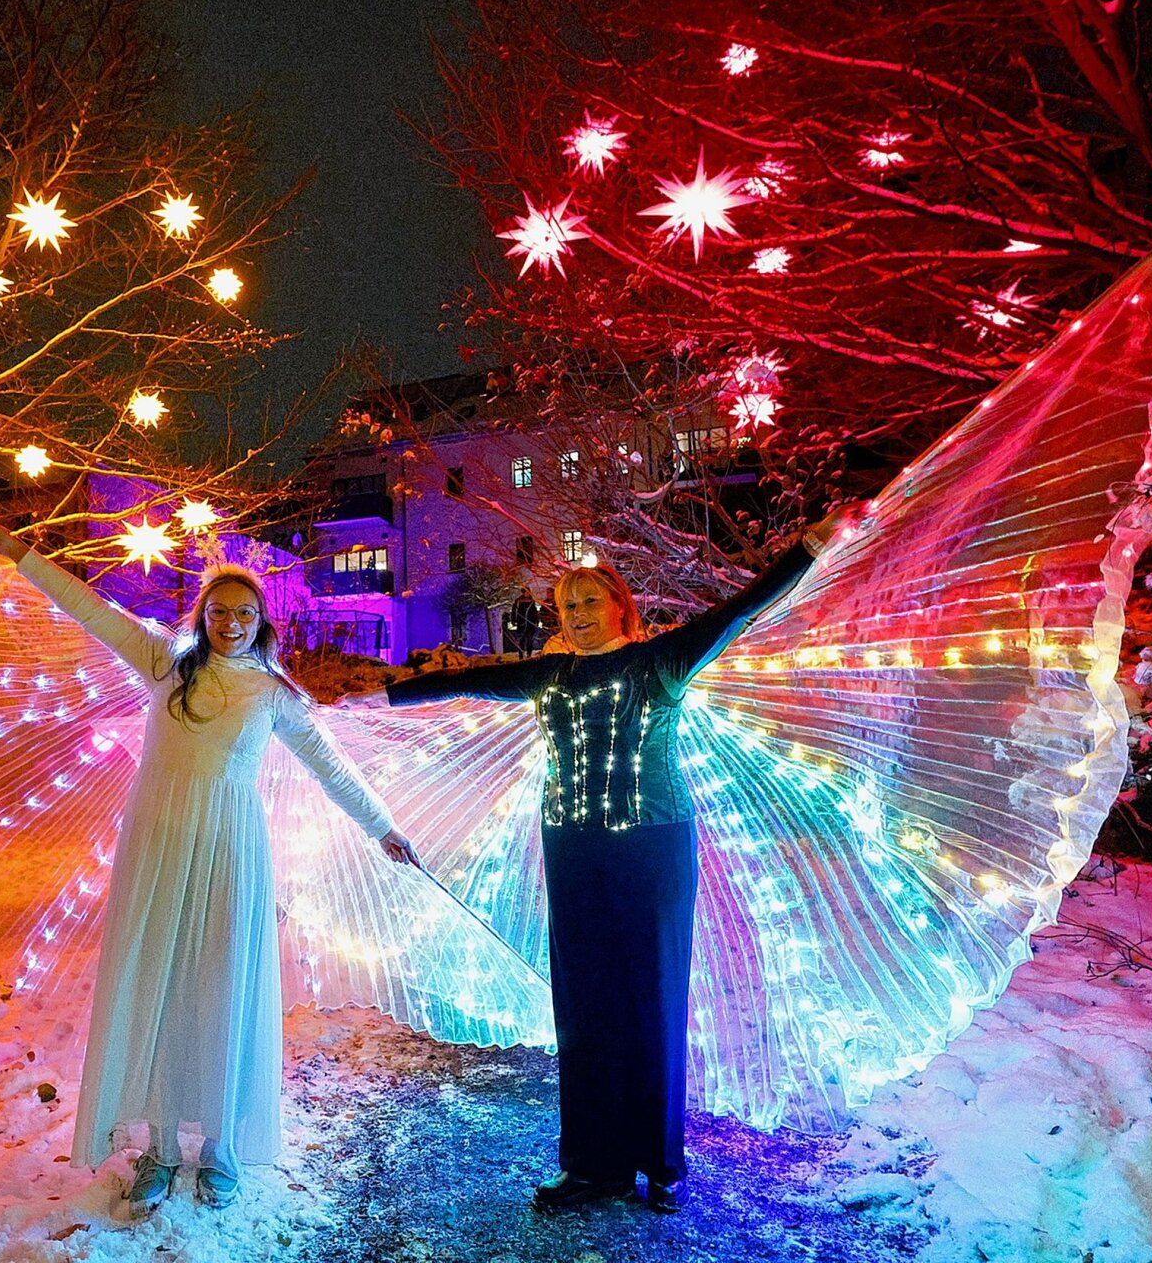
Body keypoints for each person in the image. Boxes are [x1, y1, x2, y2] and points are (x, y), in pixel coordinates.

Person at [347, 508, 856, 1214]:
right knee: (583, 1010)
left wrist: (805, 547)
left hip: (652, 845)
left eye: (591, 600)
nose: (579, 612)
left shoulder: (660, 662)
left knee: (653, 999)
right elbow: (466, 680)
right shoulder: (550, 674)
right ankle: (593, 1165)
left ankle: (660, 1164)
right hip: (574, 846)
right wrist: (375, 695)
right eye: (566, 604)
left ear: (619, 603)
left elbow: (740, 610)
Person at [0, 522, 418, 1218]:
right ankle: (155, 1146)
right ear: (203, 616)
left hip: (230, 850)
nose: (232, 623)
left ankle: (218, 1144)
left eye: (245, 613)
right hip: (157, 845)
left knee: (219, 987)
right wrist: (20, 553)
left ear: (262, 622)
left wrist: (383, 828)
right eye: (220, 611)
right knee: (156, 982)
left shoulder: (274, 697)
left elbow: (332, 768)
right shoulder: (164, 664)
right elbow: (90, 609)